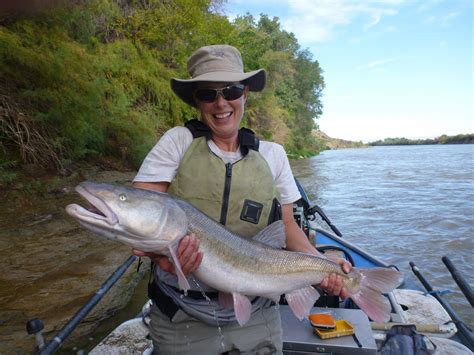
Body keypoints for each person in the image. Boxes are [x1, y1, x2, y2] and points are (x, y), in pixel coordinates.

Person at [132, 44, 351, 355]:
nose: (221, 103)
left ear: (245, 92)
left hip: (257, 313)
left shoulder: (273, 155)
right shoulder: (177, 142)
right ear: (197, 101)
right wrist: (160, 256)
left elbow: (287, 226)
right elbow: (142, 215)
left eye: (230, 90)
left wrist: (323, 263)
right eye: (208, 94)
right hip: (181, 314)